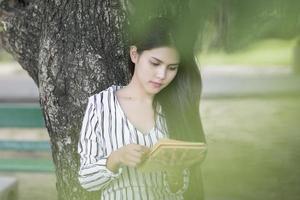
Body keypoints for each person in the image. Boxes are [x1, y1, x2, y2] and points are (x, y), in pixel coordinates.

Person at [78, 17, 206, 200]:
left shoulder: (175, 107)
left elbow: (179, 190)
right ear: (134, 54)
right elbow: (86, 180)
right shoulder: (100, 105)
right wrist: (116, 158)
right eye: (155, 63)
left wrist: (175, 173)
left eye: (172, 68)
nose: (162, 75)